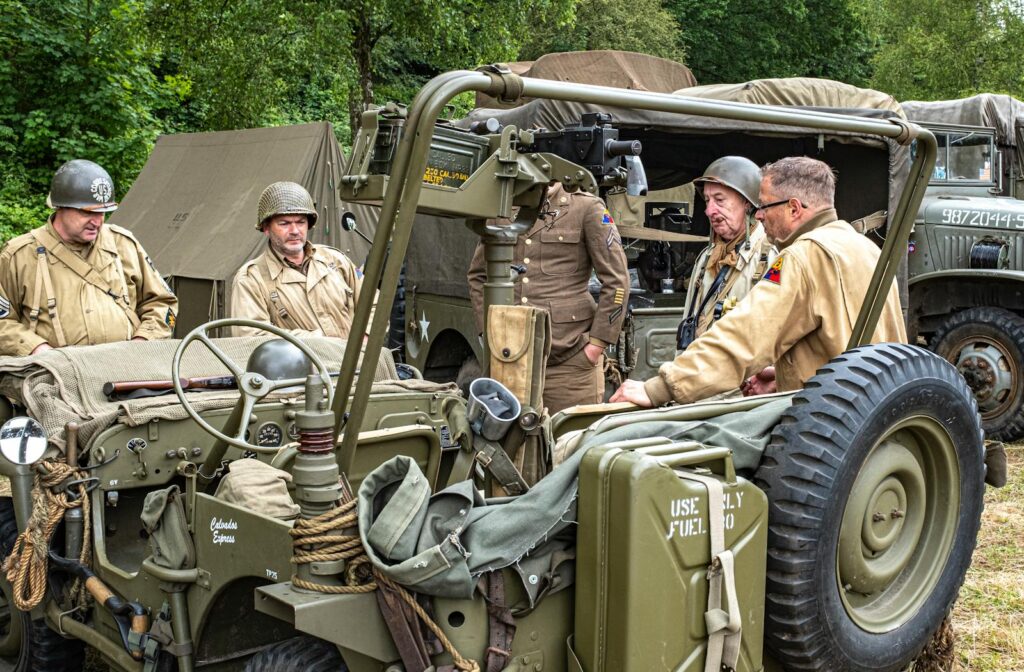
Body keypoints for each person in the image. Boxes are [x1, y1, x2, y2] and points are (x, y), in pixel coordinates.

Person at [610, 156, 907, 407]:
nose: (760, 215)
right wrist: (784, 374)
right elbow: (847, 340)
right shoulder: (865, 248)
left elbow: (746, 334)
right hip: (871, 411)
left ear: (794, 208)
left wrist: (659, 389)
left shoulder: (801, 258)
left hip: (828, 422)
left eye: (765, 206)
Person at [467, 182, 630, 414]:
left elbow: (617, 281)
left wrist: (597, 344)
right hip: (511, 360)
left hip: (570, 363)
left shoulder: (586, 207)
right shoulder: (503, 207)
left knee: (570, 443)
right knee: (512, 446)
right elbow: (478, 276)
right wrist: (489, 333)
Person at [0, 159, 178, 356]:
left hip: (125, 373)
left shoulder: (124, 245)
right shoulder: (18, 256)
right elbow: (3, 323)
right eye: (88, 212)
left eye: (103, 212)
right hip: (54, 376)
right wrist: (36, 349)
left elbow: (163, 303)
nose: (98, 221)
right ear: (61, 207)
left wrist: (143, 341)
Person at [230, 181, 372, 339]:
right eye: (284, 224)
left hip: (358, 360)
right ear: (266, 228)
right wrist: (319, 340)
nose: (295, 231)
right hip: (308, 363)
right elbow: (251, 337)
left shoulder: (334, 260)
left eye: (300, 222)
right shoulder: (251, 279)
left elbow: (373, 301)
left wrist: (366, 336)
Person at [678, 156, 775, 348]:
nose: (709, 211)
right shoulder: (707, 257)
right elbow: (688, 322)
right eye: (707, 200)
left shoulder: (770, 256)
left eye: (719, 200)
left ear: (747, 204)